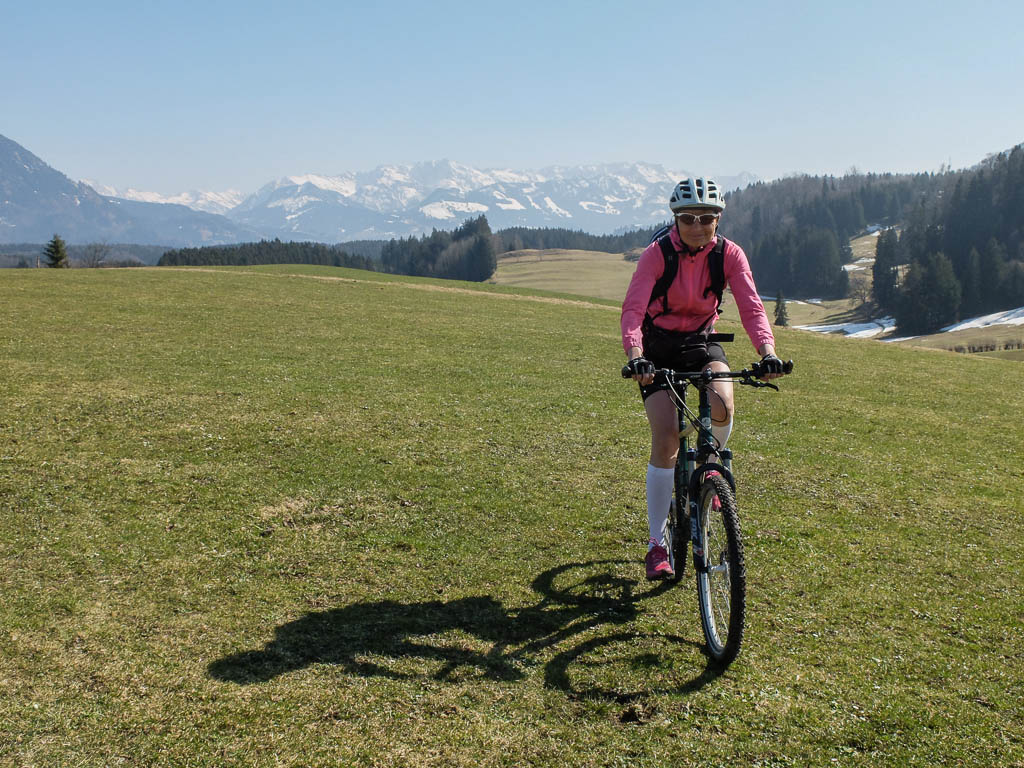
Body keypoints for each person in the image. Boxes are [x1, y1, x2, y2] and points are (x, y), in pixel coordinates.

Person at [621, 177, 785, 580]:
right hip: (656, 347)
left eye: (707, 218)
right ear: (676, 219)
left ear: (718, 219)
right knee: (666, 438)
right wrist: (636, 356)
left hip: (702, 340)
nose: (698, 226)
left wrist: (768, 353)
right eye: (689, 218)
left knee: (723, 405)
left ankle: (711, 465)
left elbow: (751, 307)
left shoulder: (729, 254)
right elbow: (632, 310)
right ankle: (657, 545)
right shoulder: (656, 254)